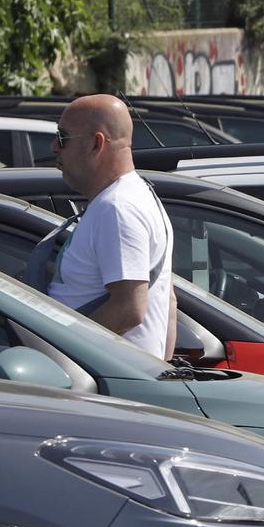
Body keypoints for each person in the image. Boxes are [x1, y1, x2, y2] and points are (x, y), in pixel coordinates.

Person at [48, 94, 177, 360]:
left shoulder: (118, 208)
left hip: (101, 386)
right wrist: (160, 368)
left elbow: (129, 308)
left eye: (63, 138)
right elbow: (168, 300)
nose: (54, 148)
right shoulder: (136, 195)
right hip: (120, 381)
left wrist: (59, 352)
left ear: (97, 144)